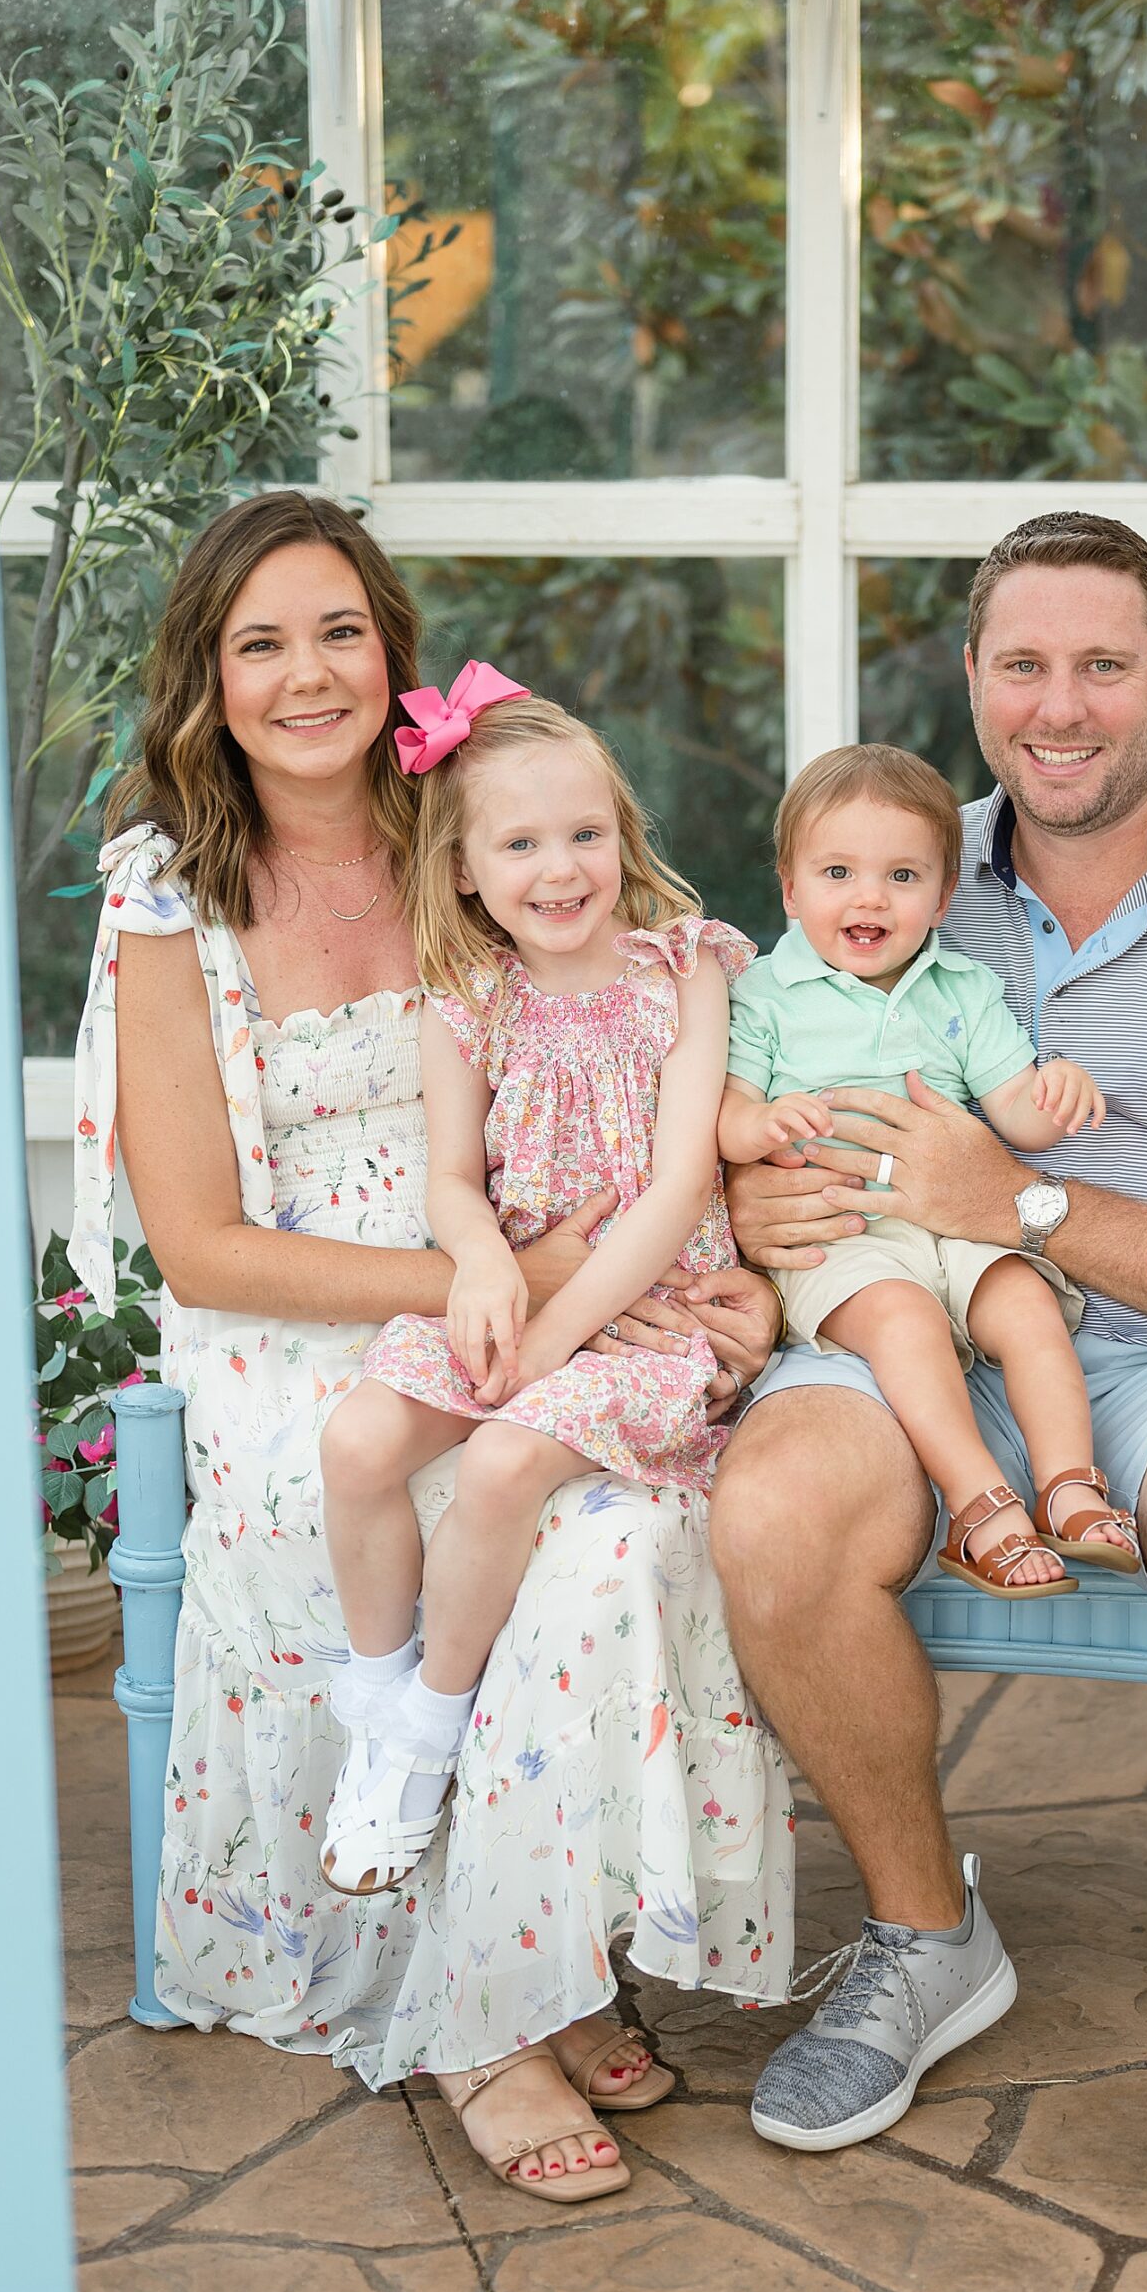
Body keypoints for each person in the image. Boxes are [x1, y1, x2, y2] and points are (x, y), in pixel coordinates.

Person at [713, 511, 1147, 2279]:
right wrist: (752, 1201)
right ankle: (922, 1931)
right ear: (972, 683)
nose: (1060, 706)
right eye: (1021, 664)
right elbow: (747, 1092)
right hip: (903, 1334)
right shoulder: (875, 864)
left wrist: (1018, 1207)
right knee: (772, 1508)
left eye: (1103, 663)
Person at [69, 490, 790, 2207]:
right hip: (305, 1319)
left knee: (613, 1524)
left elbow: (653, 1069)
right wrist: (481, 1273)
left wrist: (730, 1271)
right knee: (392, 1484)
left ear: (390, 649)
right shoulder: (175, 903)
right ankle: (476, 2020)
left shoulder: (479, 820)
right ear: (207, 683)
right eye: (260, 644)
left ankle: (549, 1945)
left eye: (338, 630)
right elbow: (201, 1244)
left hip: (556, 1282)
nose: (306, 674)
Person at [318, 673, 753, 1910]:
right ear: (464, 871)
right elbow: (456, 1181)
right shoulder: (470, 1001)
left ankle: (429, 1735)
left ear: (623, 837)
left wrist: (555, 1336)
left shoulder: (685, 971)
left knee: (507, 1460)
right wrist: (489, 1269)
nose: (560, 869)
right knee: (358, 1440)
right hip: (519, 1293)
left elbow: (676, 1189)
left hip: (648, 1312)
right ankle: (380, 1695)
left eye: (585, 835)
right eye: (520, 844)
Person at [717, 739, 1140, 1601]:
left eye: (902, 877)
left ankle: (1070, 1488)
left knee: (1025, 1301)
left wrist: (1055, 1088)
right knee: (906, 1320)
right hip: (842, 1239)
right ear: (791, 889)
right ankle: (979, 1508)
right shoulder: (763, 994)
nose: (870, 896)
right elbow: (721, 1118)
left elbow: (1015, 1111)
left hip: (956, 1222)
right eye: (837, 872)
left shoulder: (963, 990)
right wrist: (759, 1123)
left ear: (944, 896)